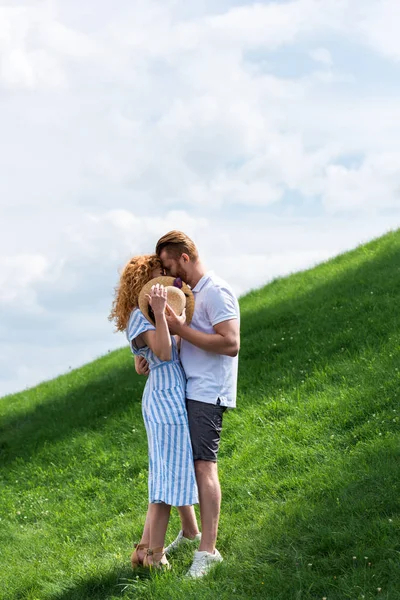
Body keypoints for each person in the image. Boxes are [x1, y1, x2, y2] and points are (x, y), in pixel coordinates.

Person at [135, 231, 240, 578]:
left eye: (169, 266)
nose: (170, 276)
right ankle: (190, 531)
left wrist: (181, 328)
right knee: (182, 462)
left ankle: (208, 551)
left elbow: (230, 344)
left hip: (207, 393)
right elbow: (181, 342)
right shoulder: (189, 295)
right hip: (186, 388)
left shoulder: (217, 291)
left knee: (203, 466)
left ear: (184, 257)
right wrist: (151, 357)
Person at [109, 254, 199, 569]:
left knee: (167, 470)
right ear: (144, 279)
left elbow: (157, 350)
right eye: (160, 273)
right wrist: (161, 314)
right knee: (164, 477)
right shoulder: (141, 315)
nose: (165, 280)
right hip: (164, 397)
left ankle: (147, 548)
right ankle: (154, 557)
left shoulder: (146, 313)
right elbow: (162, 350)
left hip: (169, 392)